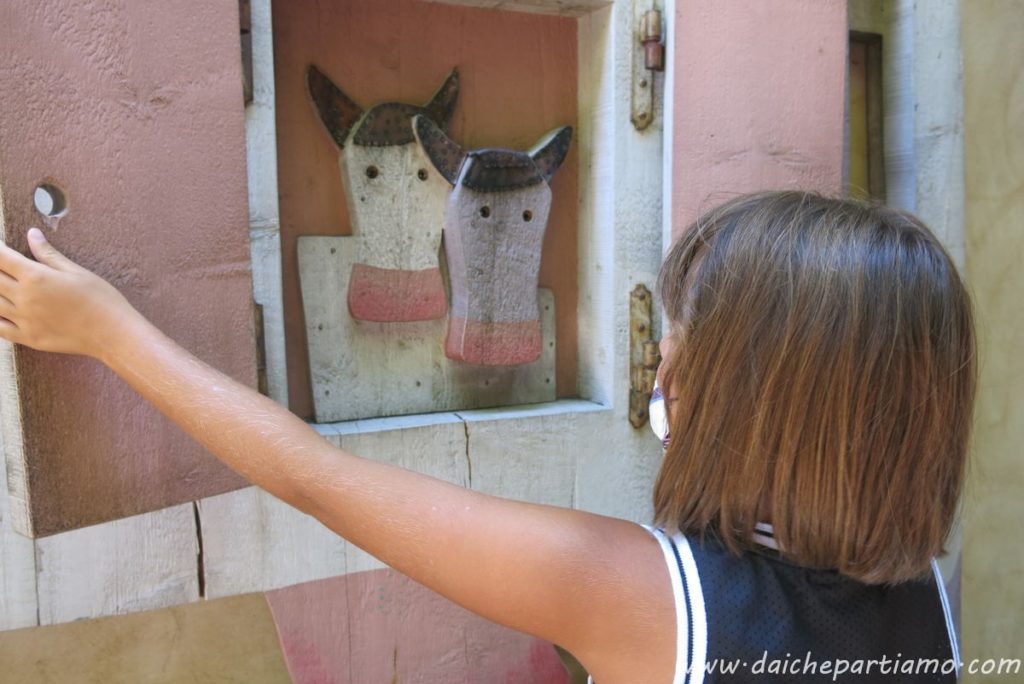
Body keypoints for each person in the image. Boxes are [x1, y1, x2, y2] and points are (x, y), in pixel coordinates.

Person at [0, 190, 973, 683]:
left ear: (763, 397)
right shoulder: (924, 584)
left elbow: (315, 478)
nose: (661, 363)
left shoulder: (644, 598)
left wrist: (108, 334)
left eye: (684, 339)